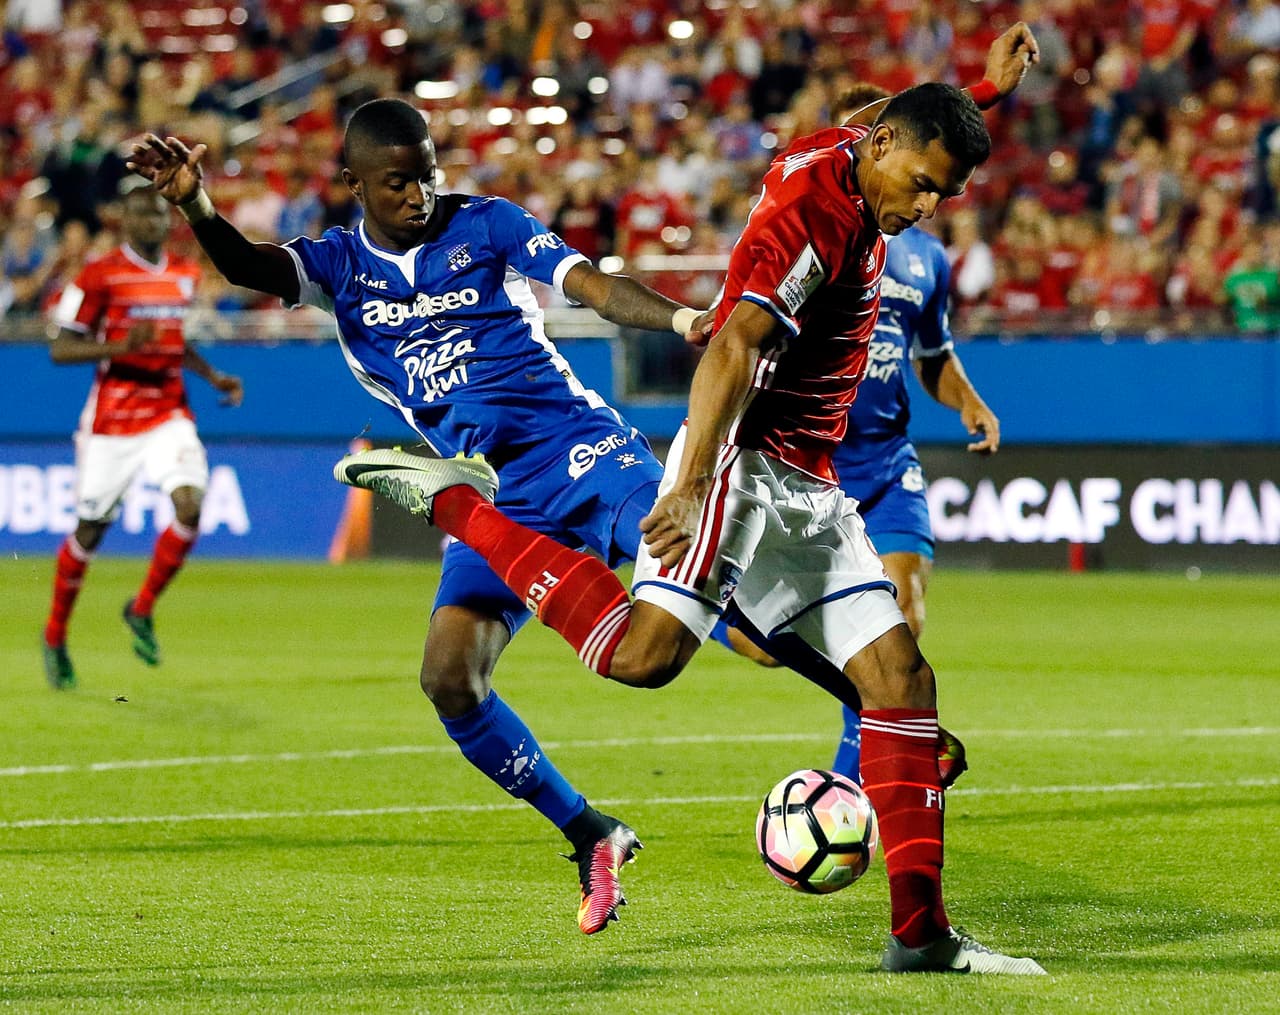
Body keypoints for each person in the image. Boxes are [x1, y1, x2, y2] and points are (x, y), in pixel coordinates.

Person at [339, 65, 1049, 974]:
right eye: (923, 185)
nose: (929, 207)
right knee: (644, 658)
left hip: (809, 482)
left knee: (903, 681)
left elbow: (884, 118)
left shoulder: (842, 149)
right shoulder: (813, 225)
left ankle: (921, 939)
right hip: (742, 470)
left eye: (943, 193)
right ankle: (456, 503)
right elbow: (736, 345)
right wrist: (690, 484)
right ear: (879, 154)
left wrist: (975, 96)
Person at [126, 98, 713, 936]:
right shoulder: (337, 264)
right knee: (448, 675)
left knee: (693, 582)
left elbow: (591, 284)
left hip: (582, 450)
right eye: (399, 181)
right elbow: (250, 267)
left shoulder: (487, 224)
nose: (420, 193)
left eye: (428, 171)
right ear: (354, 184)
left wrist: (685, 317)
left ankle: (863, 705)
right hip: (492, 492)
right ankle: (590, 830)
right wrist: (195, 203)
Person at [716, 82, 1001, 787]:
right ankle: (724, 611)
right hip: (812, 462)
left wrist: (967, 401)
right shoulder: (822, 213)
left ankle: (856, 796)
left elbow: (932, 357)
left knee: (898, 624)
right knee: (772, 644)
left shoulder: (926, 258)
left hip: (884, 463)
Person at [41, 181, 244, 689]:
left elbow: (173, 342)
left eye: (158, 214)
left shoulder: (183, 272)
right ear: (125, 221)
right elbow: (60, 350)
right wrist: (118, 346)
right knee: (91, 530)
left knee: (191, 506)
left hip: (169, 412)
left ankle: (142, 606)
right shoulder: (98, 274)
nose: (151, 223)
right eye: (140, 215)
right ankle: (55, 634)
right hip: (112, 421)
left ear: (168, 220)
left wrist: (212, 374)